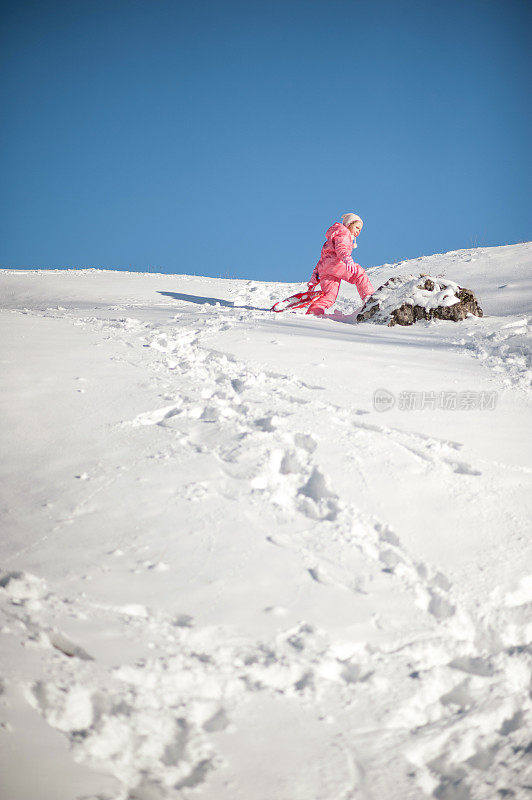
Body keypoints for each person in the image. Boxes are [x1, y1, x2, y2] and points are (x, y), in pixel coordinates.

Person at [306, 212, 374, 315]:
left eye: (360, 230)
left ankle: (314, 311)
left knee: (329, 296)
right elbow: (341, 247)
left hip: (325, 269)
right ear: (349, 224)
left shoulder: (331, 238)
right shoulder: (344, 233)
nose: (358, 231)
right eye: (357, 227)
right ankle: (369, 298)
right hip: (336, 264)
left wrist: (315, 275)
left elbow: (323, 259)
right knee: (358, 272)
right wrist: (347, 258)